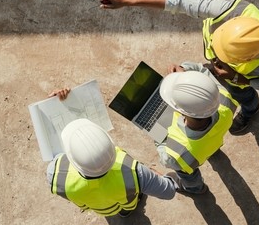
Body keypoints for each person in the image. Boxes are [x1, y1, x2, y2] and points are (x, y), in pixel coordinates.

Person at [93, 0, 259, 134]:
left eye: (222, 55)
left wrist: (239, 78)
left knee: (245, 96)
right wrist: (128, 0)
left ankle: (250, 110)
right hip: (229, 73)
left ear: (247, 58)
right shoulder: (232, 10)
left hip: (238, 81)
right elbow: (180, 2)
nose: (215, 57)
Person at [46, 89, 179, 218]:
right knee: (127, 206)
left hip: (100, 208)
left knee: (106, 207)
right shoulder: (136, 173)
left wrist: (52, 106)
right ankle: (126, 212)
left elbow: (54, 151)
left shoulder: (55, 174)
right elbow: (169, 191)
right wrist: (153, 175)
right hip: (126, 202)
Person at [155, 62, 239, 194]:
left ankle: (194, 188)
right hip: (212, 141)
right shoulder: (224, 100)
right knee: (209, 145)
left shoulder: (176, 155)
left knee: (188, 174)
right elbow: (203, 72)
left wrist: (157, 135)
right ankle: (213, 152)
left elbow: (166, 160)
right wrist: (185, 72)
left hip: (191, 158)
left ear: (182, 112)